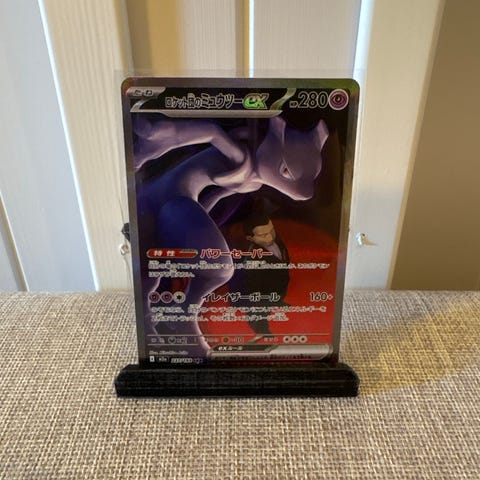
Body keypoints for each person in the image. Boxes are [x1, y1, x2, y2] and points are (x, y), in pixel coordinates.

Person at [133, 115, 328, 353]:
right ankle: (179, 317)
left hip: (175, 201)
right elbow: (213, 132)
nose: (304, 192)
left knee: (169, 272)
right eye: (285, 171)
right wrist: (167, 135)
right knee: (217, 268)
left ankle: (178, 316)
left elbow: (214, 195)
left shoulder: (253, 180)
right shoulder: (241, 157)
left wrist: (201, 221)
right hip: (166, 200)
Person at [239, 212, 290, 337]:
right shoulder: (253, 258)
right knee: (262, 311)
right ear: (250, 238)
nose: (270, 237)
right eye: (263, 235)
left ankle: (277, 301)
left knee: (279, 295)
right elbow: (251, 281)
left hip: (280, 282)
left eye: (272, 230)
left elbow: (283, 252)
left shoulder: (276, 239)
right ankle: (261, 329)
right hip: (264, 291)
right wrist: (258, 297)